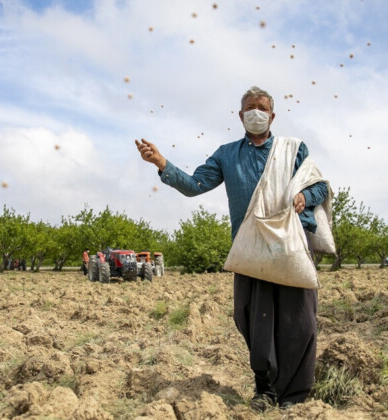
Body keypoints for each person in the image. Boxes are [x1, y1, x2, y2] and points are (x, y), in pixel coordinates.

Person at [135, 86, 328, 412]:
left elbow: (319, 185)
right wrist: (162, 162)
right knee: (253, 317)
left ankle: (295, 395)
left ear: (272, 114)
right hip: (250, 248)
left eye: (261, 107)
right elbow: (196, 184)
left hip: (291, 244)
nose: (256, 112)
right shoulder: (227, 154)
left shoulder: (293, 149)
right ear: (240, 116)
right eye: (249, 108)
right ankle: (265, 390)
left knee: (299, 319)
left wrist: (303, 197)